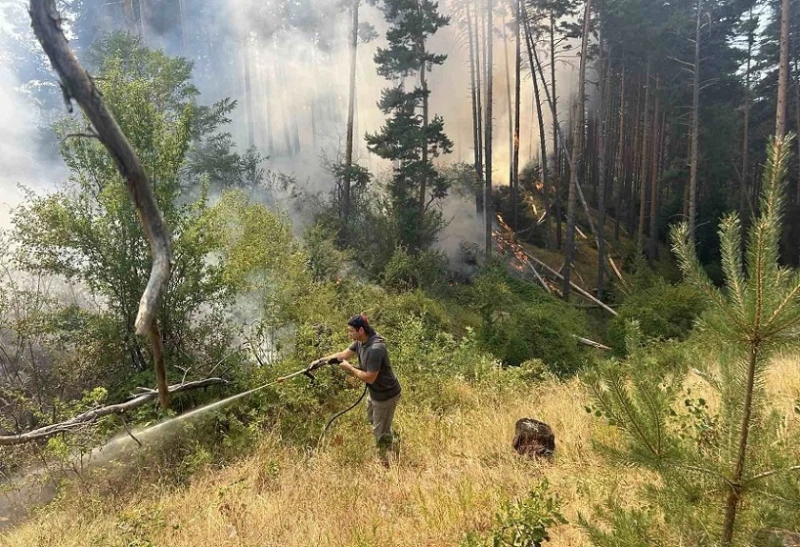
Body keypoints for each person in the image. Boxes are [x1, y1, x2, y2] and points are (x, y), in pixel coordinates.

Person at [319, 314, 401, 461]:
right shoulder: (360, 342)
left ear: (361, 330)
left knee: (379, 432)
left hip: (386, 395)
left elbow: (370, 377)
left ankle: (386, 463)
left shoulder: (375, 349)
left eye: (351, 331)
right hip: (375, 393)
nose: (348, 334)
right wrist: (320, 362)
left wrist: (350, 369)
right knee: (373, 419)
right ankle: (391, 440)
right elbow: (342, 355)